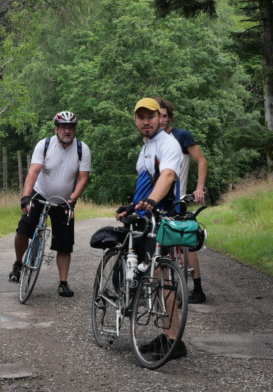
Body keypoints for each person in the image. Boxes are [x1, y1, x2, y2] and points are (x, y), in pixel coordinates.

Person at [115, 97, 187, 359]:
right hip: (145, 214)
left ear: (161, 118)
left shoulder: (168, 145)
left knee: (161, 278)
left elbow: (167, 176)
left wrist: (153, 202)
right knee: (152, 275)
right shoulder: (147, 146)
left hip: (161, 216)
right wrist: (133, 207)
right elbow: (145, 182)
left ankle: (173, 339)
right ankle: (168, 336)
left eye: (151, 116)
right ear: (136, 120)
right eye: (140, 117)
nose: (146, 121)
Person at [9, 111, 91, 297]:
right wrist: (26, 196)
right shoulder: (45, 145)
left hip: (64, 200)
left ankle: (63, 282)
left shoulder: (82, 149)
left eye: (71, 127)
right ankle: (18, 263)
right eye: (63, 127)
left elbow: (83, 179)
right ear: (56, 129)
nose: (67, 130)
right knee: (23, 231)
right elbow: (33, 172)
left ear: (75, 130)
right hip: (40, 194)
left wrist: (72, 200)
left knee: (64, 243)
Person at [156, 98, 209, 305]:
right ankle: (161, 288)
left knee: (186, 241)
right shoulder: (152, 139)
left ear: (170, 117)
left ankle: (197, 288)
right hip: (157, 200)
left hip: (177, 199)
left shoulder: (181, 136)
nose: (160, 120)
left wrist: (198, 188)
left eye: (164, 116)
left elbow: (202, 161)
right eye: (157, 115)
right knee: (157, 242)